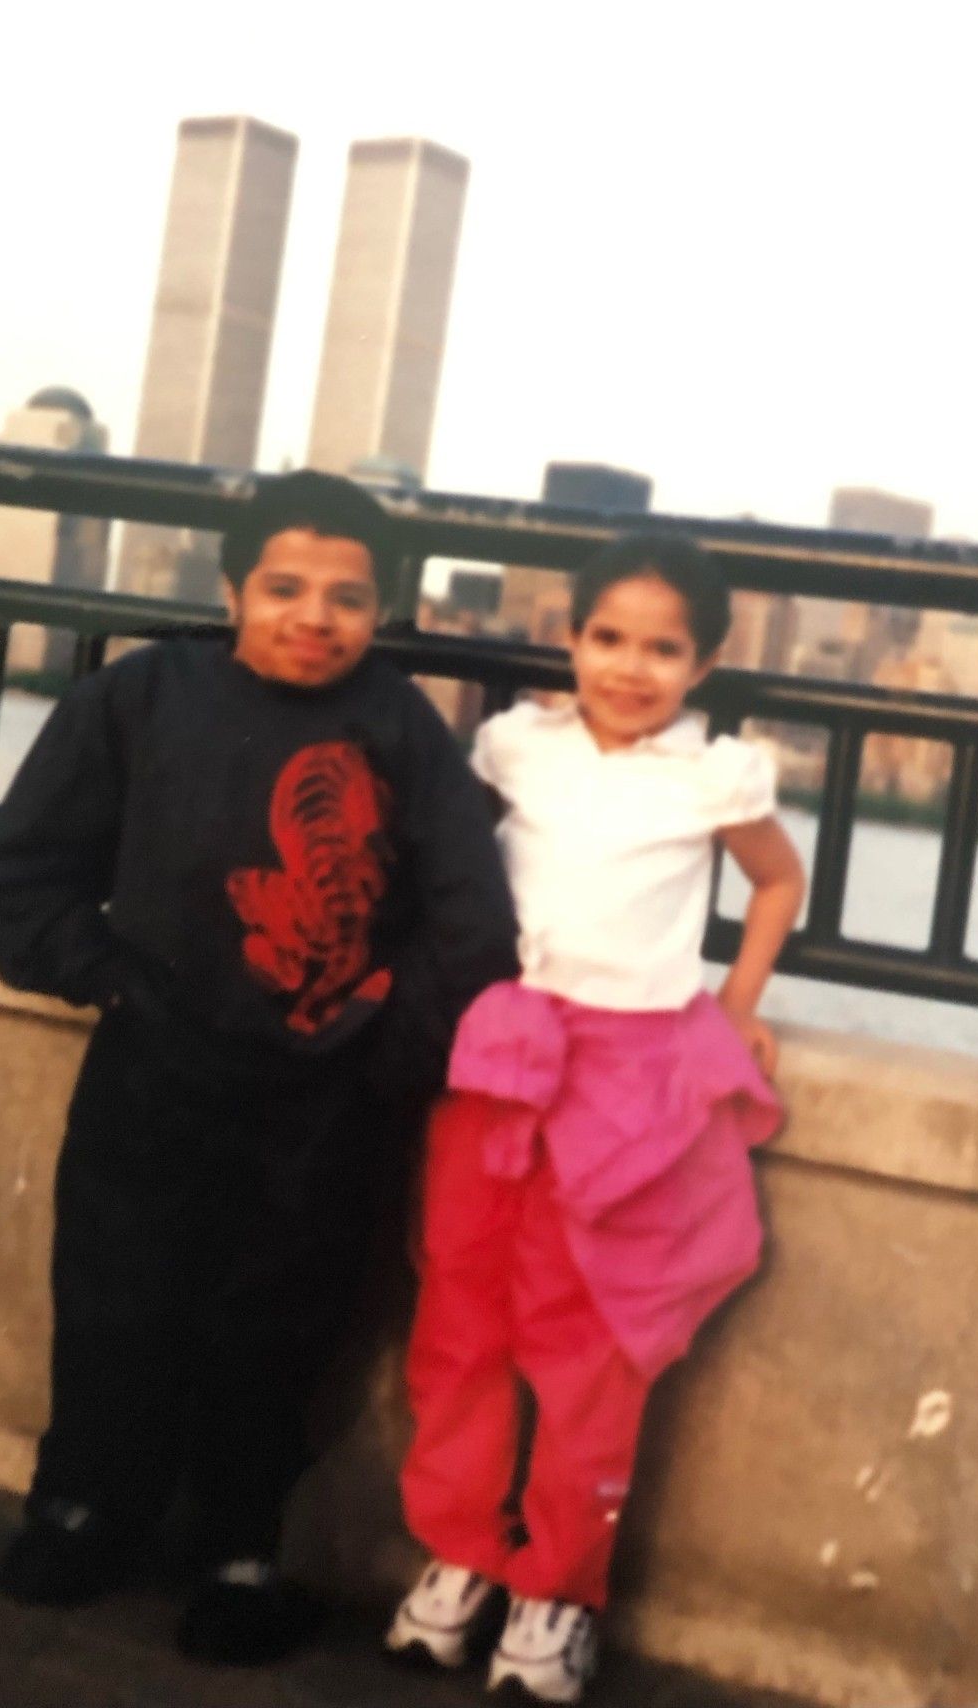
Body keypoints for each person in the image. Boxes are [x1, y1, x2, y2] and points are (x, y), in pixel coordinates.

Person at [0, 469, 518, 1664]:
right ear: (231, 589)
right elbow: (28, 873)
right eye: (284, 586)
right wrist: (115, 977)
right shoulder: (139, 696)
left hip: (325, 1098)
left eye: (347, 596)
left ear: (385, 610)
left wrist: (383, 1050)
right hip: (152, 1065)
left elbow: (471, 921)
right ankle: (81, 1511)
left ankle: (238, 1547)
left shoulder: (402, 730)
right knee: (116, 1294)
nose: (313, 615)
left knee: (279, 1322)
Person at [386, 532, 806, 1703]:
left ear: (703, 662)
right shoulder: (517, 743)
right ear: (570, 638)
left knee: (589, 1340)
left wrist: (733, 1004)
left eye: (663, 648)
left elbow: (780, 879)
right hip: (503, 1050)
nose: (631, 667)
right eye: (608, 638)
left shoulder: (713, 777)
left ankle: (557, 1588)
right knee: (461, 1307)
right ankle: (461, 1549)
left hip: (629, 1073)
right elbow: (450, 869)